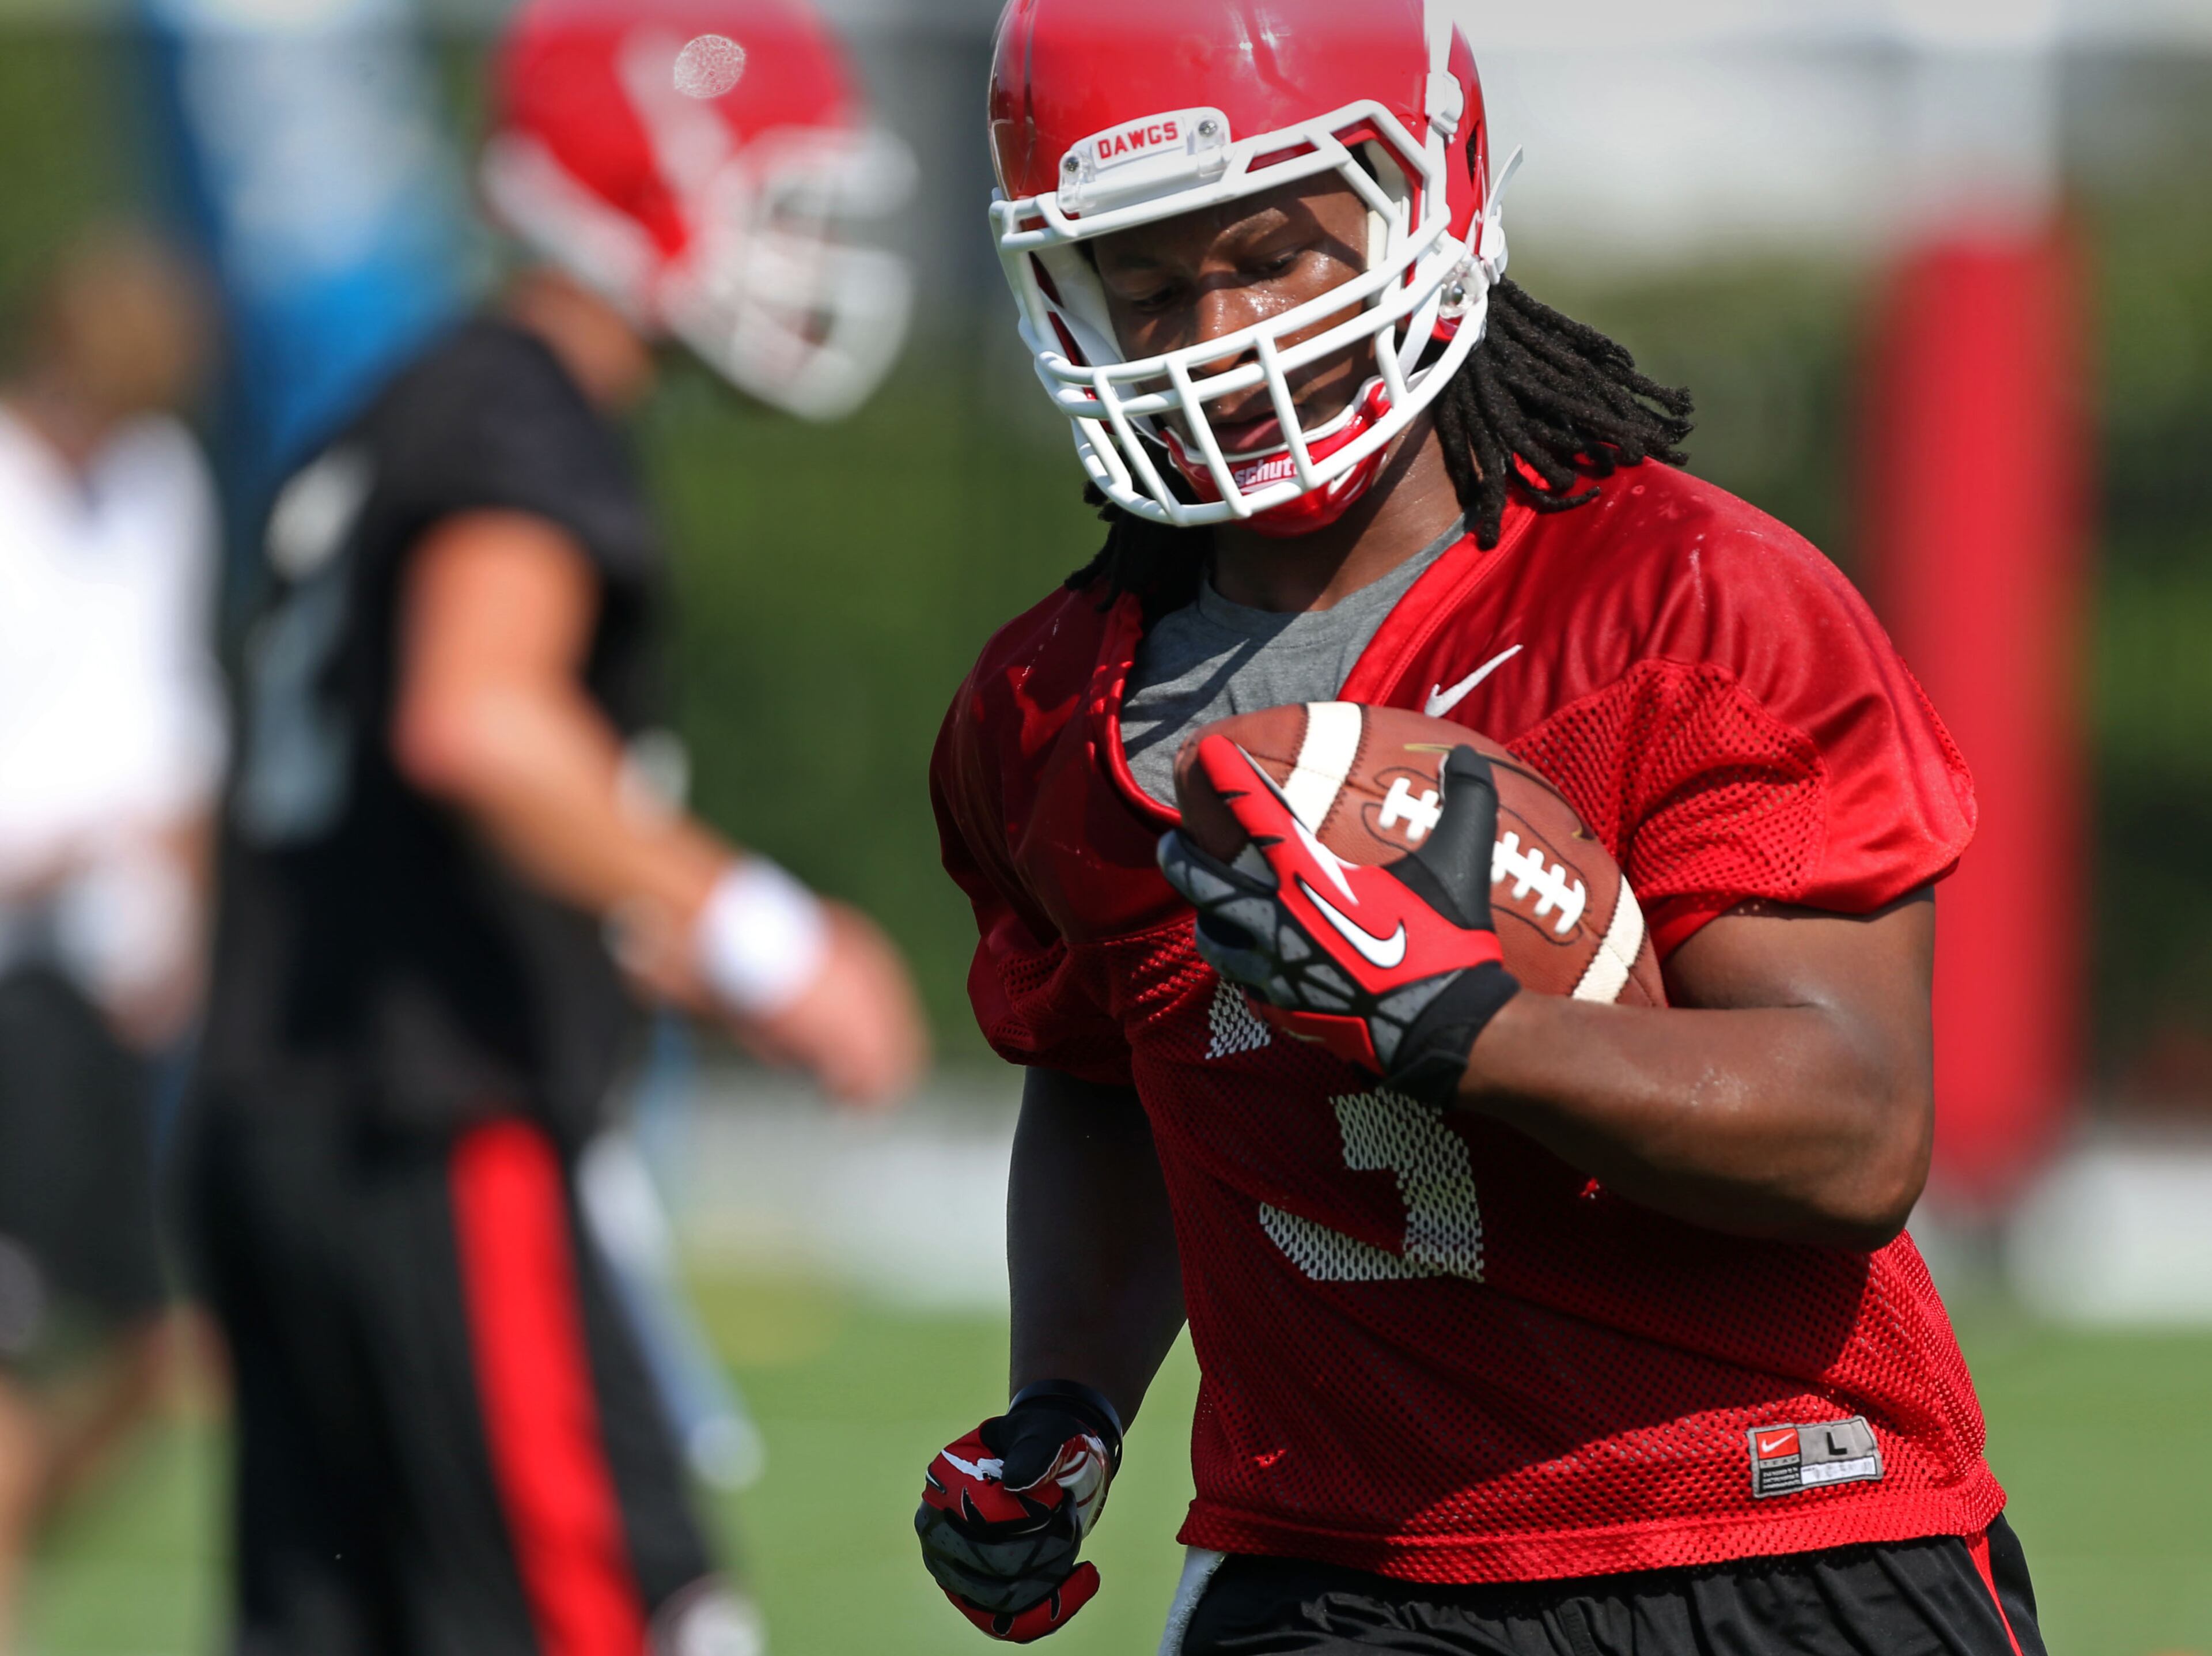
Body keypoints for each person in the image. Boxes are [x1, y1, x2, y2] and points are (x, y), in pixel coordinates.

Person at [914, 3, 2044, 1653]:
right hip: (1339, 1567)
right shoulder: (1045, 710)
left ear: (1428, 192)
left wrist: (1467, 1027)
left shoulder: (1683, 601)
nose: (1217, 335)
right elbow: (1106, 1075)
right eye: (1147, 288)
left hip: (1778, 1526)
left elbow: (1856, 1128)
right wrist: (1068, 1397)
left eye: (1273, 258)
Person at [184, 2, 926, 1651]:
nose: (802, 248)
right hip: (437, 1125)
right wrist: (768, 936)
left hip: (283, 1121)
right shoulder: (518, 413)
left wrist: (637, 922)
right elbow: (480, 719)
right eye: (776, 199)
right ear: (634, 179)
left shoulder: (410, 404)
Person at [0, 224, 225, 1651]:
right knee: (15, 1354)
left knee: (156, 1356)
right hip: (8, 980)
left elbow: (174, 713)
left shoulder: (160, 485)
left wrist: (178, 913)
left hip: (98, 993)